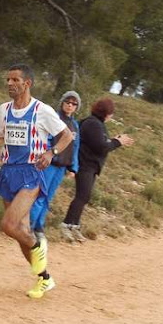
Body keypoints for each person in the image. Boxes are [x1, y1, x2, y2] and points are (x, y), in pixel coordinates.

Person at [0, 64, 73, 299]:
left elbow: (67, 135)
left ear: (27, 84)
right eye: (8, 79)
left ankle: (39, 247)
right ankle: (44, 278)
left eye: (15, 80)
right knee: (20, 231)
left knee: (8, 225)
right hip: (8, 172)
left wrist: (51, 153)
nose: (9, 84)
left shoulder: (41, 110)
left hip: (30, 173)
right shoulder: (4, 110)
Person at [61, 98, 134, 242]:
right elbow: (101, 147)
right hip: (85, 165)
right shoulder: (93, 124)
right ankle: (66, 225)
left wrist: (113, 140)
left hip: (89, 166)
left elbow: (101, 143)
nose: (111, 116)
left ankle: (74, 226)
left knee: (84, 196)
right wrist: (118, 142)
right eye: (111, 113)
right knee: (82, 196)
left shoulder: (95, 124)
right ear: (106, 113)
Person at [30, 91, 81, 240]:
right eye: (67, 102)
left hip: (62, 166)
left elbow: (76, 147)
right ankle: (29, 225)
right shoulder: (55, 118)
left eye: (74, 103)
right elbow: (45, 138)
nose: (70, 105)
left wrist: (73, 167)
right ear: (62, 102)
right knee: (40, 194)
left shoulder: (75, 125)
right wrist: (46, 155)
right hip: (49, 164)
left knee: (48, 197)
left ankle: (39, 225)